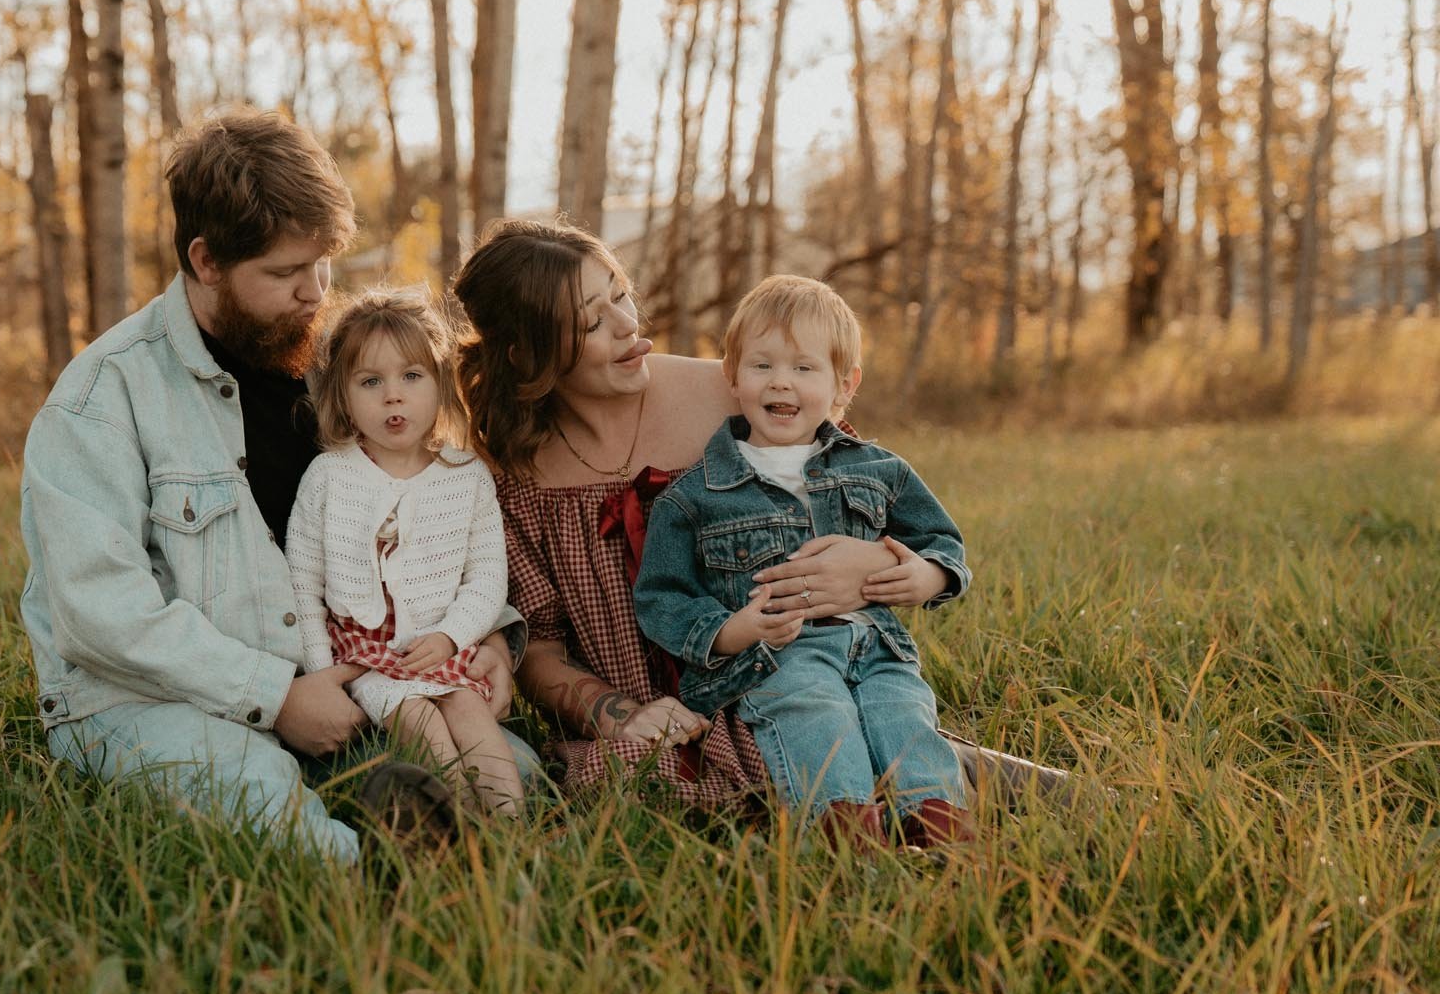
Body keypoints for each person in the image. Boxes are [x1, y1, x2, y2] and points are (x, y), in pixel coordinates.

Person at [18, 111, 521, 863]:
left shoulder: (340, 370)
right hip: (157, 697)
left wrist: (489, 641)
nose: (314, 292)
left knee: (519, 777)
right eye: (286, 273)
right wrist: (276, 696)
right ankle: (372, 889)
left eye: (322, 263)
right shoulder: (100, 399)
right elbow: (101, 616)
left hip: (347, 678)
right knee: (269, 811)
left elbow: (427, 504)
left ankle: (424, 832)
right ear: (206, 259)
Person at [453, 217, 1066, 816]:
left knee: (864, 730)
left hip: (786, 675)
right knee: (629, 782)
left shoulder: (733, 393)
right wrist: (620, 714)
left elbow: (859, 485)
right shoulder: (508, 472)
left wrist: (873, 564)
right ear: (528, 355)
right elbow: (540, 642)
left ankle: (1059, 798)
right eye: (592, 320)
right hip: (666, 724)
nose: (626, 325)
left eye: (620, 295)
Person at [631, 275, 973, 848]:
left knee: (904, 717)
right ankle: (847, 838)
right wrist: (731, 631)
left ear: (845, 384)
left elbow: (941, 540)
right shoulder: (695, 495)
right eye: (762, 366)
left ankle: (938, 831)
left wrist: (926, 574)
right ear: (732, 377)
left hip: (879, 647)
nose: (781, 382)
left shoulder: (879, 470)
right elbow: (661, 596)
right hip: (779, 657)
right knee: (817, 714)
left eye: (804, 369)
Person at [285, 289, 525, 816]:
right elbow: (303, 584)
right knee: (424, 728)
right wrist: (322, 677)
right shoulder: (328, 477)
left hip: (441, 649)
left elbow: (486, 578)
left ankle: (514, 835)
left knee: (474, 720)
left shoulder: (465, 477)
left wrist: (450, 636)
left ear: (439, 384)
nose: (393, 397)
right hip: (367, 660)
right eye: (371, 382)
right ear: (343, 396)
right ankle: (459, 832)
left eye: (411, 377)